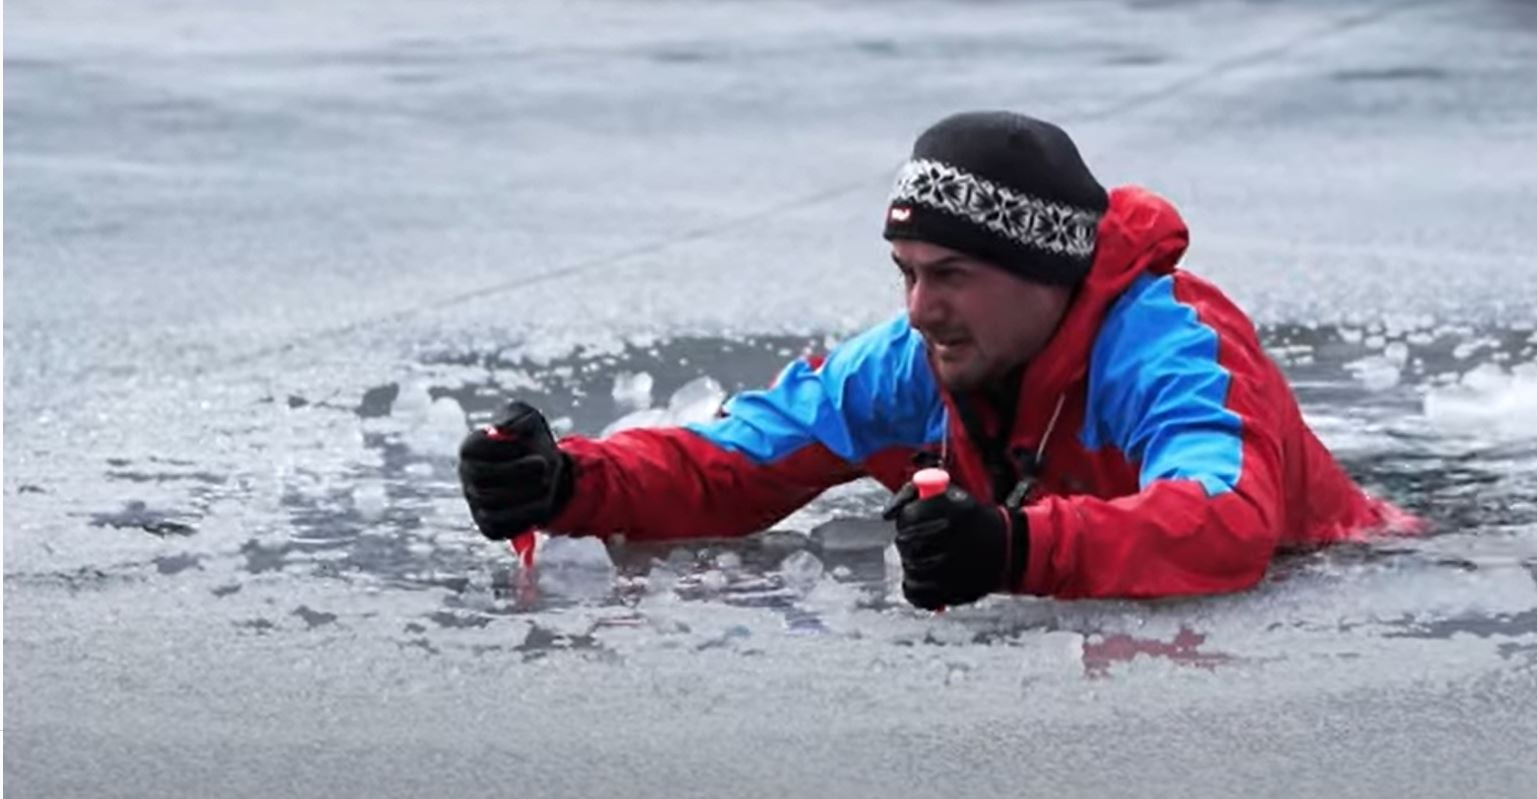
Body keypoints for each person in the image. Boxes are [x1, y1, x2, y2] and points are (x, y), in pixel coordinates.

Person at [459, 111, 1419, 610]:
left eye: (951, 274)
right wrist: (569, 480)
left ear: (1044, 274)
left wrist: (1015, 548)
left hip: (1357, 559)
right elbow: (735, 464)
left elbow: (1226, 524)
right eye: (906, 273)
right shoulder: (914, 360)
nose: (920, 310)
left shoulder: (1171, 348)